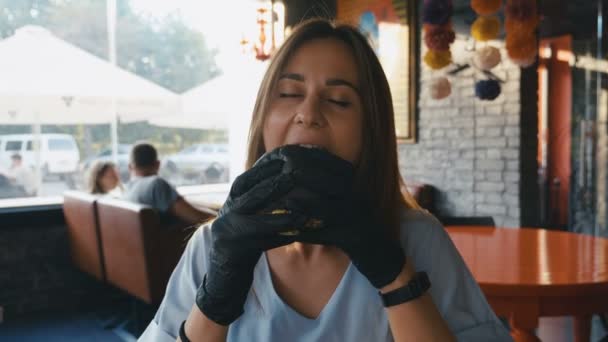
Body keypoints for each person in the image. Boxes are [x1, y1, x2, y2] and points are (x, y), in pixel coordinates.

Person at [139, 19, 512, 341]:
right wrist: (214, 301)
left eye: (338, 100)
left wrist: (396, 276)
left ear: (371, 129)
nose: (308, 113)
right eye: (289, 93)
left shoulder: (417, 238)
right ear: (263, 120)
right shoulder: (213, 246)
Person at [123, 142, 213, 225]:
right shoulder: (156, 185)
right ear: (158, 164)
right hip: (174, 241)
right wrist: (221, 219)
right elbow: (197, 217)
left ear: (130, 167)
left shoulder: (127, 190)